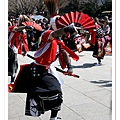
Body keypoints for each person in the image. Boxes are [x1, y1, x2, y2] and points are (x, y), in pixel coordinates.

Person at [23, 25, 79, 120]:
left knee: (57, 92)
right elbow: (55, 33)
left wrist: (70, 67)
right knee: (53, 91)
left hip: (48, 69)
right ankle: (37, 104)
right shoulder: (48, 34)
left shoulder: (58, 42)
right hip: (38, 69)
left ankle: (54, 117)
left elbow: (65, 53)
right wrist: (67, 29)